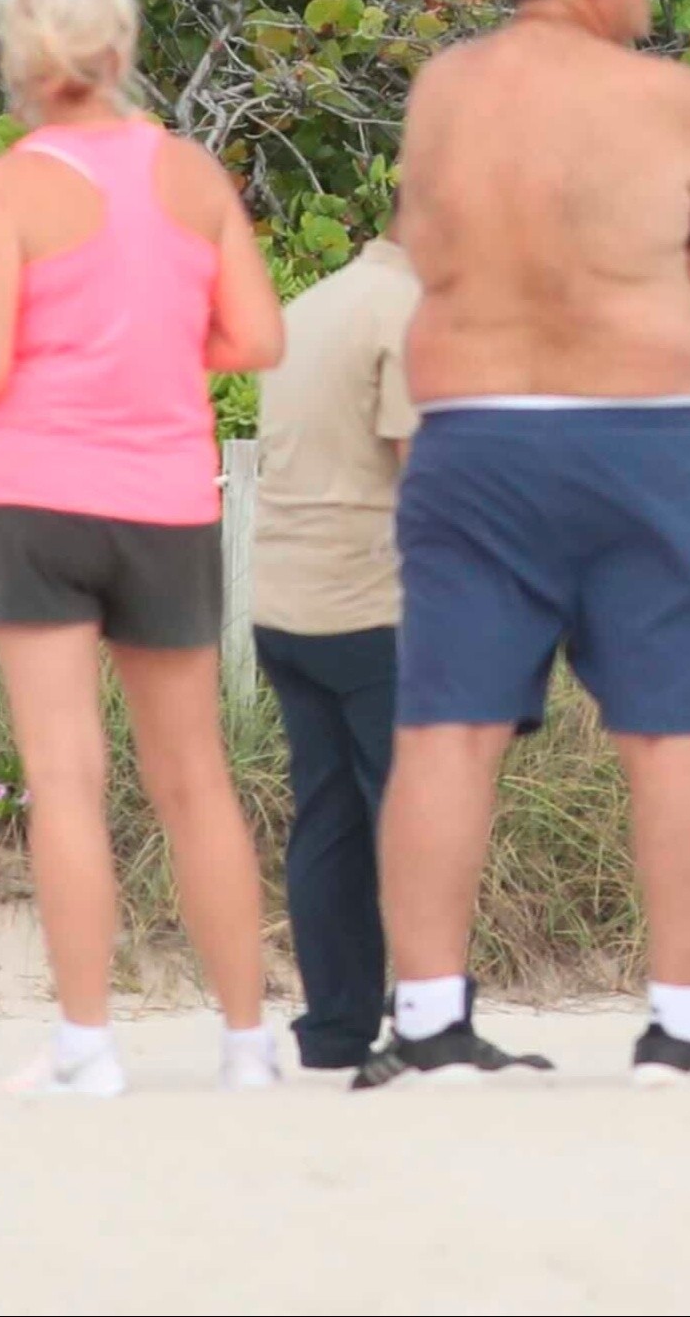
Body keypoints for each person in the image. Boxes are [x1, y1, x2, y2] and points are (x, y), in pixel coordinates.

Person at [365, 0, 690, 1089]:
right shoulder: (669, 96)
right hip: (634, 428)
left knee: (446, 726)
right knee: (676, 726)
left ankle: (426, 1018)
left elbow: (424, 235)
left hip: (472, 428)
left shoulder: (442, 89)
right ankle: (681, 1026)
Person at [0, 0, 291, 1097]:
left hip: (37, 489)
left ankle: (87, 1041)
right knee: (192, 771)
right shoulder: (191, 173)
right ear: (122, 42)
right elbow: (258, 337)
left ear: (18, 55)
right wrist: (157, 345)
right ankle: (247, 1040)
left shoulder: (10, 185)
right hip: (163, 495)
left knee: (66, 770)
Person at [251, 222, 422, 1078]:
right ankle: (427, 1015)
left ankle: (334, 1027)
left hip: (284, 599)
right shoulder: (408, 311)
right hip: (372, 599)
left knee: (327, 815)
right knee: (418, 813)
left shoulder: (308, 306)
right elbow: (420, 463)